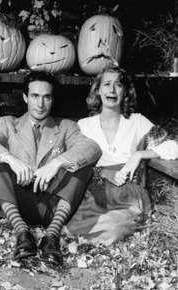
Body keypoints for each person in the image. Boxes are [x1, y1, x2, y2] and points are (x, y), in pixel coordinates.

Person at [0, 71, 101, 265]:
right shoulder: (9, 124)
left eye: (46, 97)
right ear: (25, 97)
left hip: (53, 204)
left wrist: (58, 163)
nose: (40, 104)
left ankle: (52, 237)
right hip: (17, 201)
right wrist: (10, 159)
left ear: (52, 99)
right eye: (34, 96)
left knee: (81, 166)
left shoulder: (66, 126)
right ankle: (22, 234)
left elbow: (92, 148)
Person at [66, 65, 178, 245]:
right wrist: (101, 173)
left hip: (128, 195)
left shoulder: (137, 122)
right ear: (98, 90)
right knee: (72, 226)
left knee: (115, 227)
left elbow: (173, 146)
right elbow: (73, 162)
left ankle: (100, 234)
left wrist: (139, 155)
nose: (111, 89)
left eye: (118, 85)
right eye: (106, 84)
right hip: (96, 193)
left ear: (125, 92)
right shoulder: (84, 126)